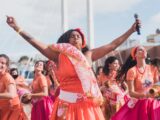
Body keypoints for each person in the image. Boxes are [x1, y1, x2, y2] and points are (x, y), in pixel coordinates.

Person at [6, 16, 139, 120]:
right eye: (72, 36)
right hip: (66, 105)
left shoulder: (88, 55)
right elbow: (34, 42)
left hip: (87, 106)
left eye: (78, 36)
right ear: (66, 41)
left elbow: (112, 45)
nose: (76, 37)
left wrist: (131, 30)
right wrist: (17, 27)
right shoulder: (58, 56)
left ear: (82, 43)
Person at [112, 46, 159, 120]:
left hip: (153, 103)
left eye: (144, 49)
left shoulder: (153, 68)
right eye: (140, 50)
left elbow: (157, 86)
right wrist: (145, 95)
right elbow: (131, 92)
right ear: (135, 55)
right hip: (140, 104)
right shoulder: (132, 71)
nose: (143, 51)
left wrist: (155, 93)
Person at [0, 54, 27, 120]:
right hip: (4, 109)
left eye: (3, 63)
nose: (0, 64)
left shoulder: (7, 77)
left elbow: (12, 94)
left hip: (12, 110)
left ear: (7, 66)